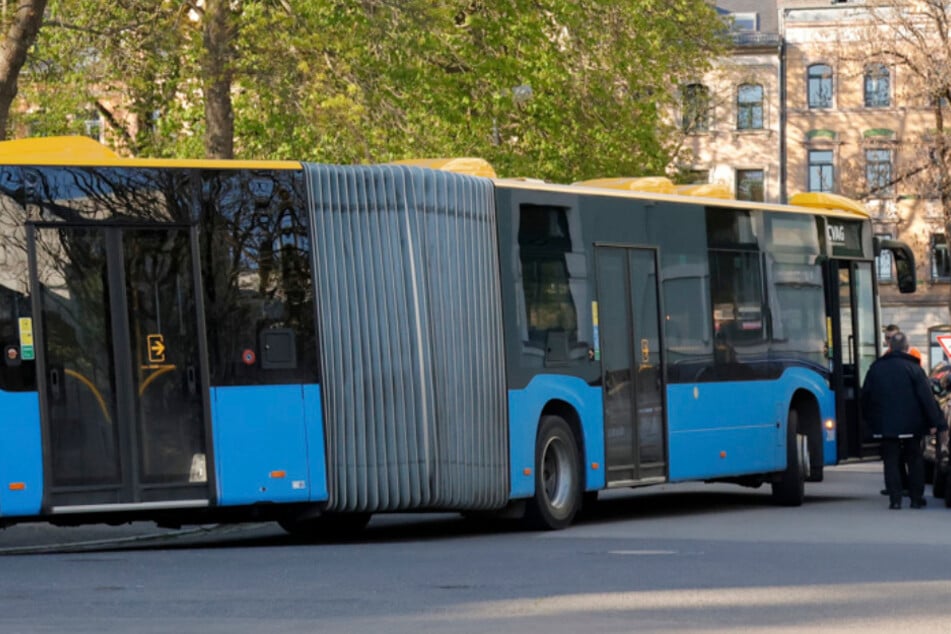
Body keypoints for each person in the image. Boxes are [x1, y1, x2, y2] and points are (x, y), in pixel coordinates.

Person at [862, 331, 948, 509]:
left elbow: (866, 397)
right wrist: (938, 423)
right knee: (915, 459)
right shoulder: (914, 369)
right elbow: (927, 398)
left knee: (891, 461)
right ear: (907, 348)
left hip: (885, 425)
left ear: (890, 347)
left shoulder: (876, 368)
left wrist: (869, 422)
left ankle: (895, 499)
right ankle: (916, 499)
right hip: (912, 424)